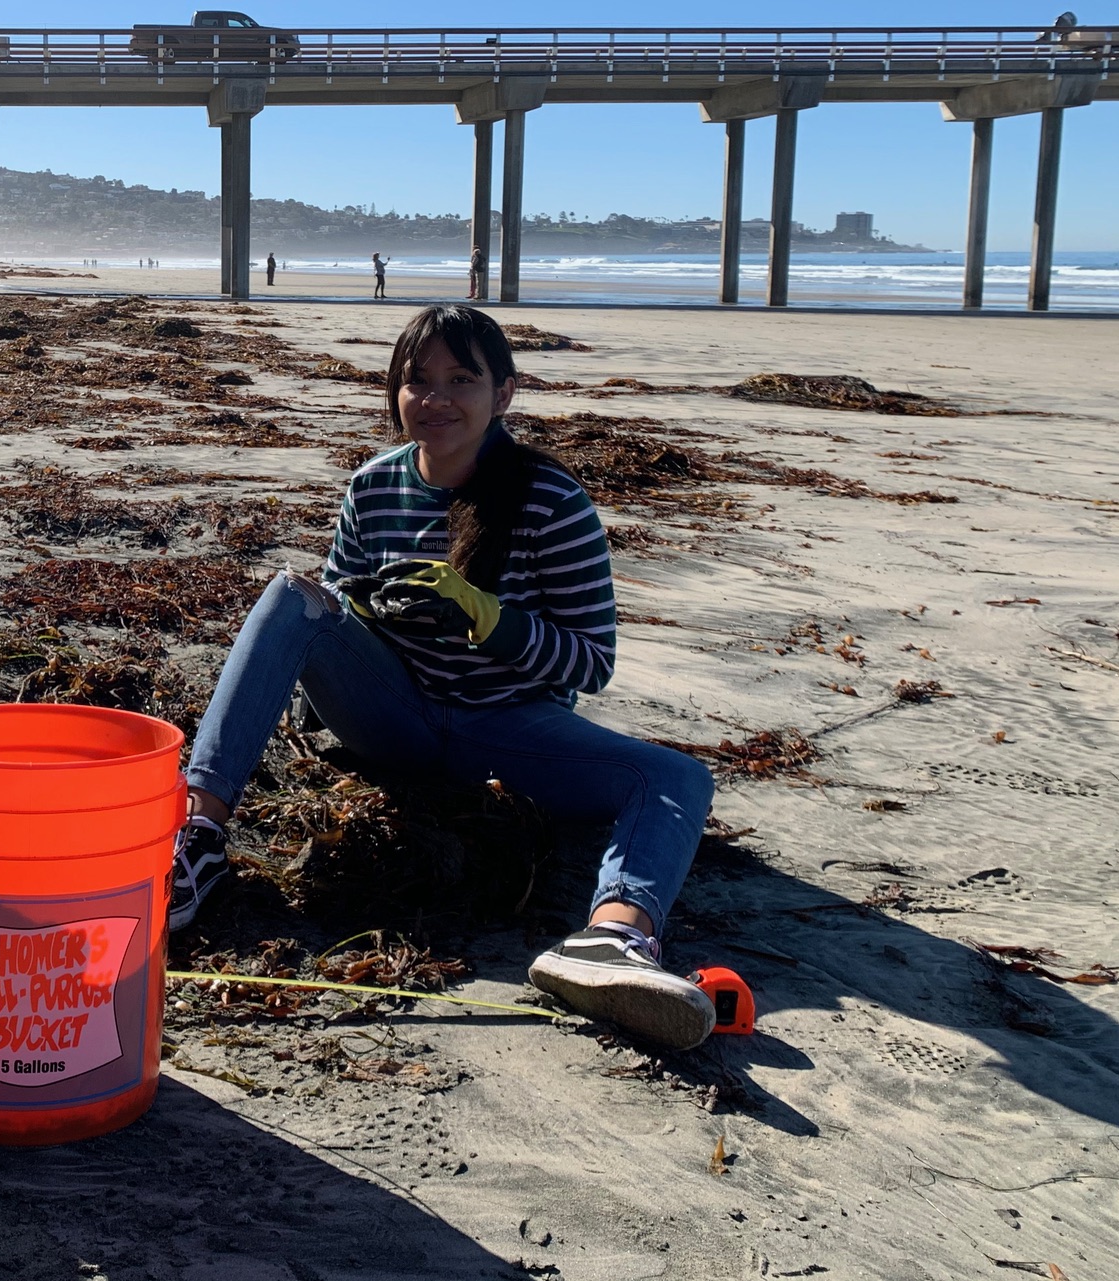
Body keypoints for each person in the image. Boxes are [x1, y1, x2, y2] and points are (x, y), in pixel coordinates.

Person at [168, 305, 718, 1049]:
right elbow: (330, 610)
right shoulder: (373, 487)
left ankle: (612, 937)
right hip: (393, 715)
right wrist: (368, 611)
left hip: (508, 730)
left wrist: (488, 618)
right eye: (415, 380)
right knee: (289, 598)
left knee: (675, 778)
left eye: (460, 379)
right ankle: (197, 834)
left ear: (503, 393)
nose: (434, 398)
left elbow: (591, 662)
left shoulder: (551, 501)